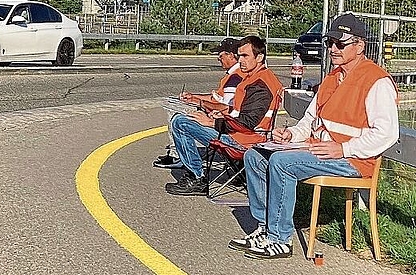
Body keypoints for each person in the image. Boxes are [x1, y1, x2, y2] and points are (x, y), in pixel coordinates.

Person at [230, 13, 399, 259]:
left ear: (360, 46)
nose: (333, 48)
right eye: (330, 43)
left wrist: (344, 150)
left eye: (340, 44)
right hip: (318, 150)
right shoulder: (331, 78)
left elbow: (387, 134)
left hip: (353, 161)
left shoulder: (376, 81)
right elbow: (310, 121)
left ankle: (280, 240)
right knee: (255, 155)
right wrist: (290, 134)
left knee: (281, 163)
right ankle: (265, 228)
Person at [165, 35, 283, 196]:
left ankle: (196, 178)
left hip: (246, 141)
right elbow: (237, 111)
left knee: (180, 123)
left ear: (260, 57)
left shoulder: (260, 84)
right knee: (185, 119)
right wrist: (219, 114)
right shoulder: (253, 77)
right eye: (239, 55)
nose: (240, 60)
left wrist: (212, 123)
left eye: (245, 56)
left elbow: (247, 122)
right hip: (240, 135)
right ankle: (196, 175)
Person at [153, 37, 244, 169]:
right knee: (172, 103)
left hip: (224, 121)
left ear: (231, 55)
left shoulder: (236, 77)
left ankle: (178, 156)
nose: (218, 58)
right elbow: (217, 99)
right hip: (222, 117)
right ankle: (177, 152)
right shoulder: (233, 74)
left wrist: (199, 103)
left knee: (177, 115)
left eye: (220, 55)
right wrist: (193, 97)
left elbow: (226, 107)